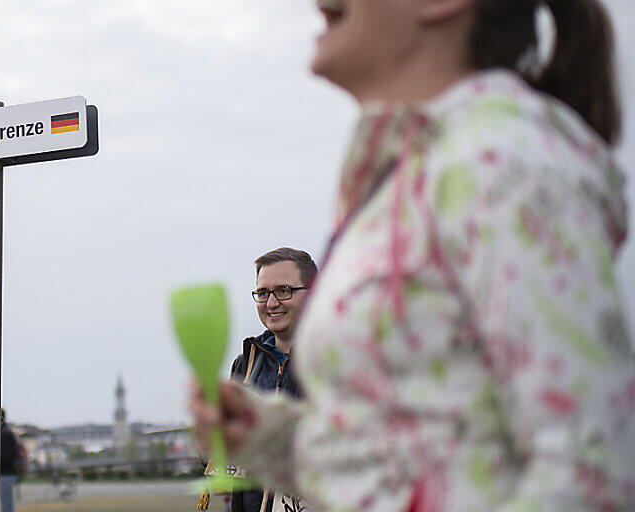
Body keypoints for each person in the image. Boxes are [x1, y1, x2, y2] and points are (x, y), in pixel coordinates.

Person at [191, 0, 635, 510]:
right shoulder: (421, 170)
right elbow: (412, 470)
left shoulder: (502, 162)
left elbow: (590, 468)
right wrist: (266, 436)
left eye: (283, 290)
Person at [210, 248, 315, 512]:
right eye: (263, 293)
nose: (271, 303)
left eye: (284, 291)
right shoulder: (245, 365)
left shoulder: (336, 362)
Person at [0, 408, 22, 512]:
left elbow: (5, 457)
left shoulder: (4, 434)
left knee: (6, 505)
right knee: (6, 503)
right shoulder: (7, 432)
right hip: (8, 473)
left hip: (5, 473)